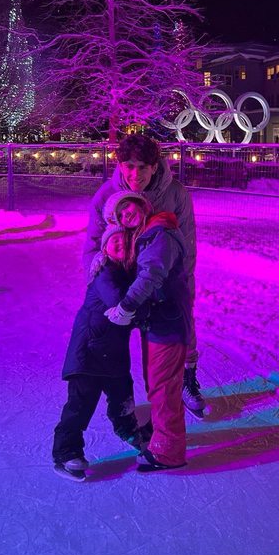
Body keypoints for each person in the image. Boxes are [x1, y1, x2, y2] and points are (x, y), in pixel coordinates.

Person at [83, 134, 205, 417]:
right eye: (128, 165)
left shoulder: (175, 194)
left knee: (175, 333)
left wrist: (184, 287)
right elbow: (91, 246)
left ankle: (185, 380)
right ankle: (120, 398)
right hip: (120, 280)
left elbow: (187, 244)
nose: (134, 173)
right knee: (109, 341)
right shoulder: (106, 195)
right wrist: (101, 287)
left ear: (154, 166)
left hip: (160, 280)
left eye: (142, 167)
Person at [52, 225, 151, 482]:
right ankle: (66, 452)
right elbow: (120, 302)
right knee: (81, 405)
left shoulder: (126, 273)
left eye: (124, 241)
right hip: (88, 353)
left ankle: (131, 431)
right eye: (114, 241)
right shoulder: (105, 272)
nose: (119, 244)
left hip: (113, 355)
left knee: (123, 397)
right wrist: (145, 313)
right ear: (105, 247)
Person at [103, 193, 191, 472]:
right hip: (157, 319)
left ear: (141, 204)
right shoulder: (148, 234)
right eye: (120, 215)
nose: (126, 215)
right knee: (158, 384)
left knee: (163, 386)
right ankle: (166, 436)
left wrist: (126, 306)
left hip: (167, 320)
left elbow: (152, 274)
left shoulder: (159, 233)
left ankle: (168, 452)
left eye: (126, 207)